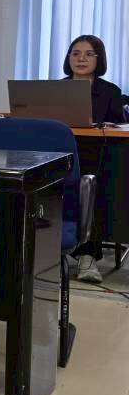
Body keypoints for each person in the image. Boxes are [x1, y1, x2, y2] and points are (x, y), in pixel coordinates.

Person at [63, 34, 125, 283]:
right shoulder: (55, 89)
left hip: (96, 154)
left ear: (99, 59)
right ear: (68, 58)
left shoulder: (110, 91)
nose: (81, 59)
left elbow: (121, 128)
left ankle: (87, 255)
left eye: (89, 54)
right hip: (60, 154)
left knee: (90, 183)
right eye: (76, 53)